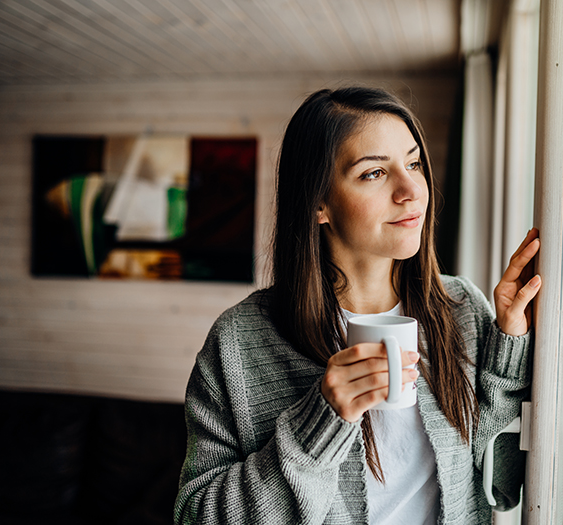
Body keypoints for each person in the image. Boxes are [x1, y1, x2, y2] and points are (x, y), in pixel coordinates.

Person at [173, 86, 541, 524]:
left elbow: (502, 489)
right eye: (373, 173)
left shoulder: (462, 308)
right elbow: (196, 517)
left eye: (413, 163)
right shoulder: (239, 342)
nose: (411, 191)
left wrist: (510, 347)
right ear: (318, 204)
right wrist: (321, 422)